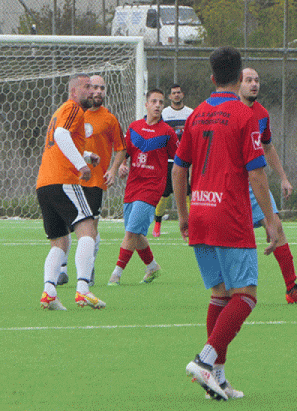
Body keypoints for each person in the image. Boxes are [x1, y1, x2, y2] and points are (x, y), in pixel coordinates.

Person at [173, 46, 279, 401]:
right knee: (246, 296)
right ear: (238, 77)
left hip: (200, 211)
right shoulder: (244, 115)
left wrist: (183, 213)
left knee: (220, 294)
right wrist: (271, 218)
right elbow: (257, 172)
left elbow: (178, 168)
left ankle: (217, 377)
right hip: (229, 215)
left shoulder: (196, 114)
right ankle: (205, 360)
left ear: (213, 77)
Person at [239, 68, 297, 303]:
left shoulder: (261, 114)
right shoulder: (230, 111)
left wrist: (283, 177)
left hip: (256, 182)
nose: (254, 84)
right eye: (249, 80)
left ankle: (292, 289)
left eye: (257, 80)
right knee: (235, 237)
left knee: (276, 226)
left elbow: (267, 147)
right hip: (231, 184)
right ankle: (230, 291)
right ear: (238, 83)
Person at [36, 73, 105, 310]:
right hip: (63, 180)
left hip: (44, 184)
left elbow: (59, 143)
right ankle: (83, 289)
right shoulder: (74, 108)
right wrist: (81, 165)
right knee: (88, 231)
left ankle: (49, 292)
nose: (93, 91)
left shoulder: (60, 112)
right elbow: (61, 136)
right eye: (87, 87)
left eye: (95, 87)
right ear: (74, 91)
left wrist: (86, 155)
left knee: (60, 241)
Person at [57, 74, 126, 286]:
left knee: (90, 228)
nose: (97, 91)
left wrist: (114, 169)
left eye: (101, 88)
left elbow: (121, 148)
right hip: (71, 178)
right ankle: (62, 268)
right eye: (93, 87)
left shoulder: (109, 119)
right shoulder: (75, 113)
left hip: (95, 182)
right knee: (65, 225)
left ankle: (88, 268)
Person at [108, 89, 178, 285]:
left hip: (152, 187)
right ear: (146, 104)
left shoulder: (167, 133)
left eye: (161, 102)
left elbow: (180, 158)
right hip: (133, 185)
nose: (157, 105)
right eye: (154, 101)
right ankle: (152, 266)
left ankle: (116, 274)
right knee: (135, 233)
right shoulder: (134, 128)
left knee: (130, 233)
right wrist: (121, 165)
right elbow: (125, 152)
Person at [154, 83, 193, 237]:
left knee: (188, 192)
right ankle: (157, 224)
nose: (176, 95)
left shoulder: (190, 113)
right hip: (168, 160)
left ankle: (191, 224)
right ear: (169, 96)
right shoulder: (164, 113)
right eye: (173, 93)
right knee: (164, 194)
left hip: (186, 160)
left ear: (182, 94)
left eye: (179, 92)